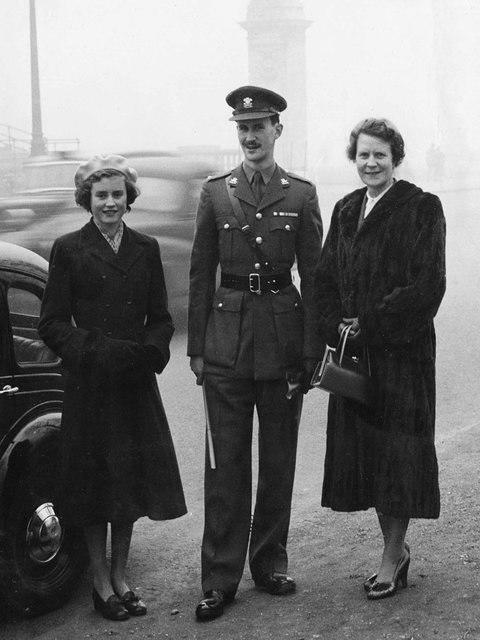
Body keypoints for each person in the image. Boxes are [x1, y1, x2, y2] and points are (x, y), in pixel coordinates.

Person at [188, 86, 323, 621]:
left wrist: (312, 352)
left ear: (277, 131)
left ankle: (269, 562)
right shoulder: (216, 193)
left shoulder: (301, 195)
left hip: (283, 342)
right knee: (224, 467)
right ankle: (220, 577)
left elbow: (315, 279)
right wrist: (197, 349)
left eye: (260, 126)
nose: (250, 136)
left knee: (277, 459)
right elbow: (201, 274)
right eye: (242, 128)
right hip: (225, 343)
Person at [38, 155, 187, 620]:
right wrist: (95, 351)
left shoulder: (146, 247)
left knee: (128, 485)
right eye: (100, 195)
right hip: (91, 384)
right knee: (93, 486)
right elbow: (52, 323)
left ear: (129, 198)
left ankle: (122, 575)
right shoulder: (68, 248)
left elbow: (161, 319)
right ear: (87, 199)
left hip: (134, 384)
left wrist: (149, 352)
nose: (109, 203)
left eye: (117, 194)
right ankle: (100, 583)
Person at [315, 118, 446, 599]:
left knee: (398, 456)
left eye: (381, 155)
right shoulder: (346, 209)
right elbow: (325, 276)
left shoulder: (421, 208)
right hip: (355, 358)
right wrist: (333, 325)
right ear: (354, 158)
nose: (371, 163)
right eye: (363, 155)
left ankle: (392, 556)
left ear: (396, 158)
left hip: (401, 354)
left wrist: (370, 323)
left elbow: (428, 284)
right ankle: (395, 548)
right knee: (369, 457)